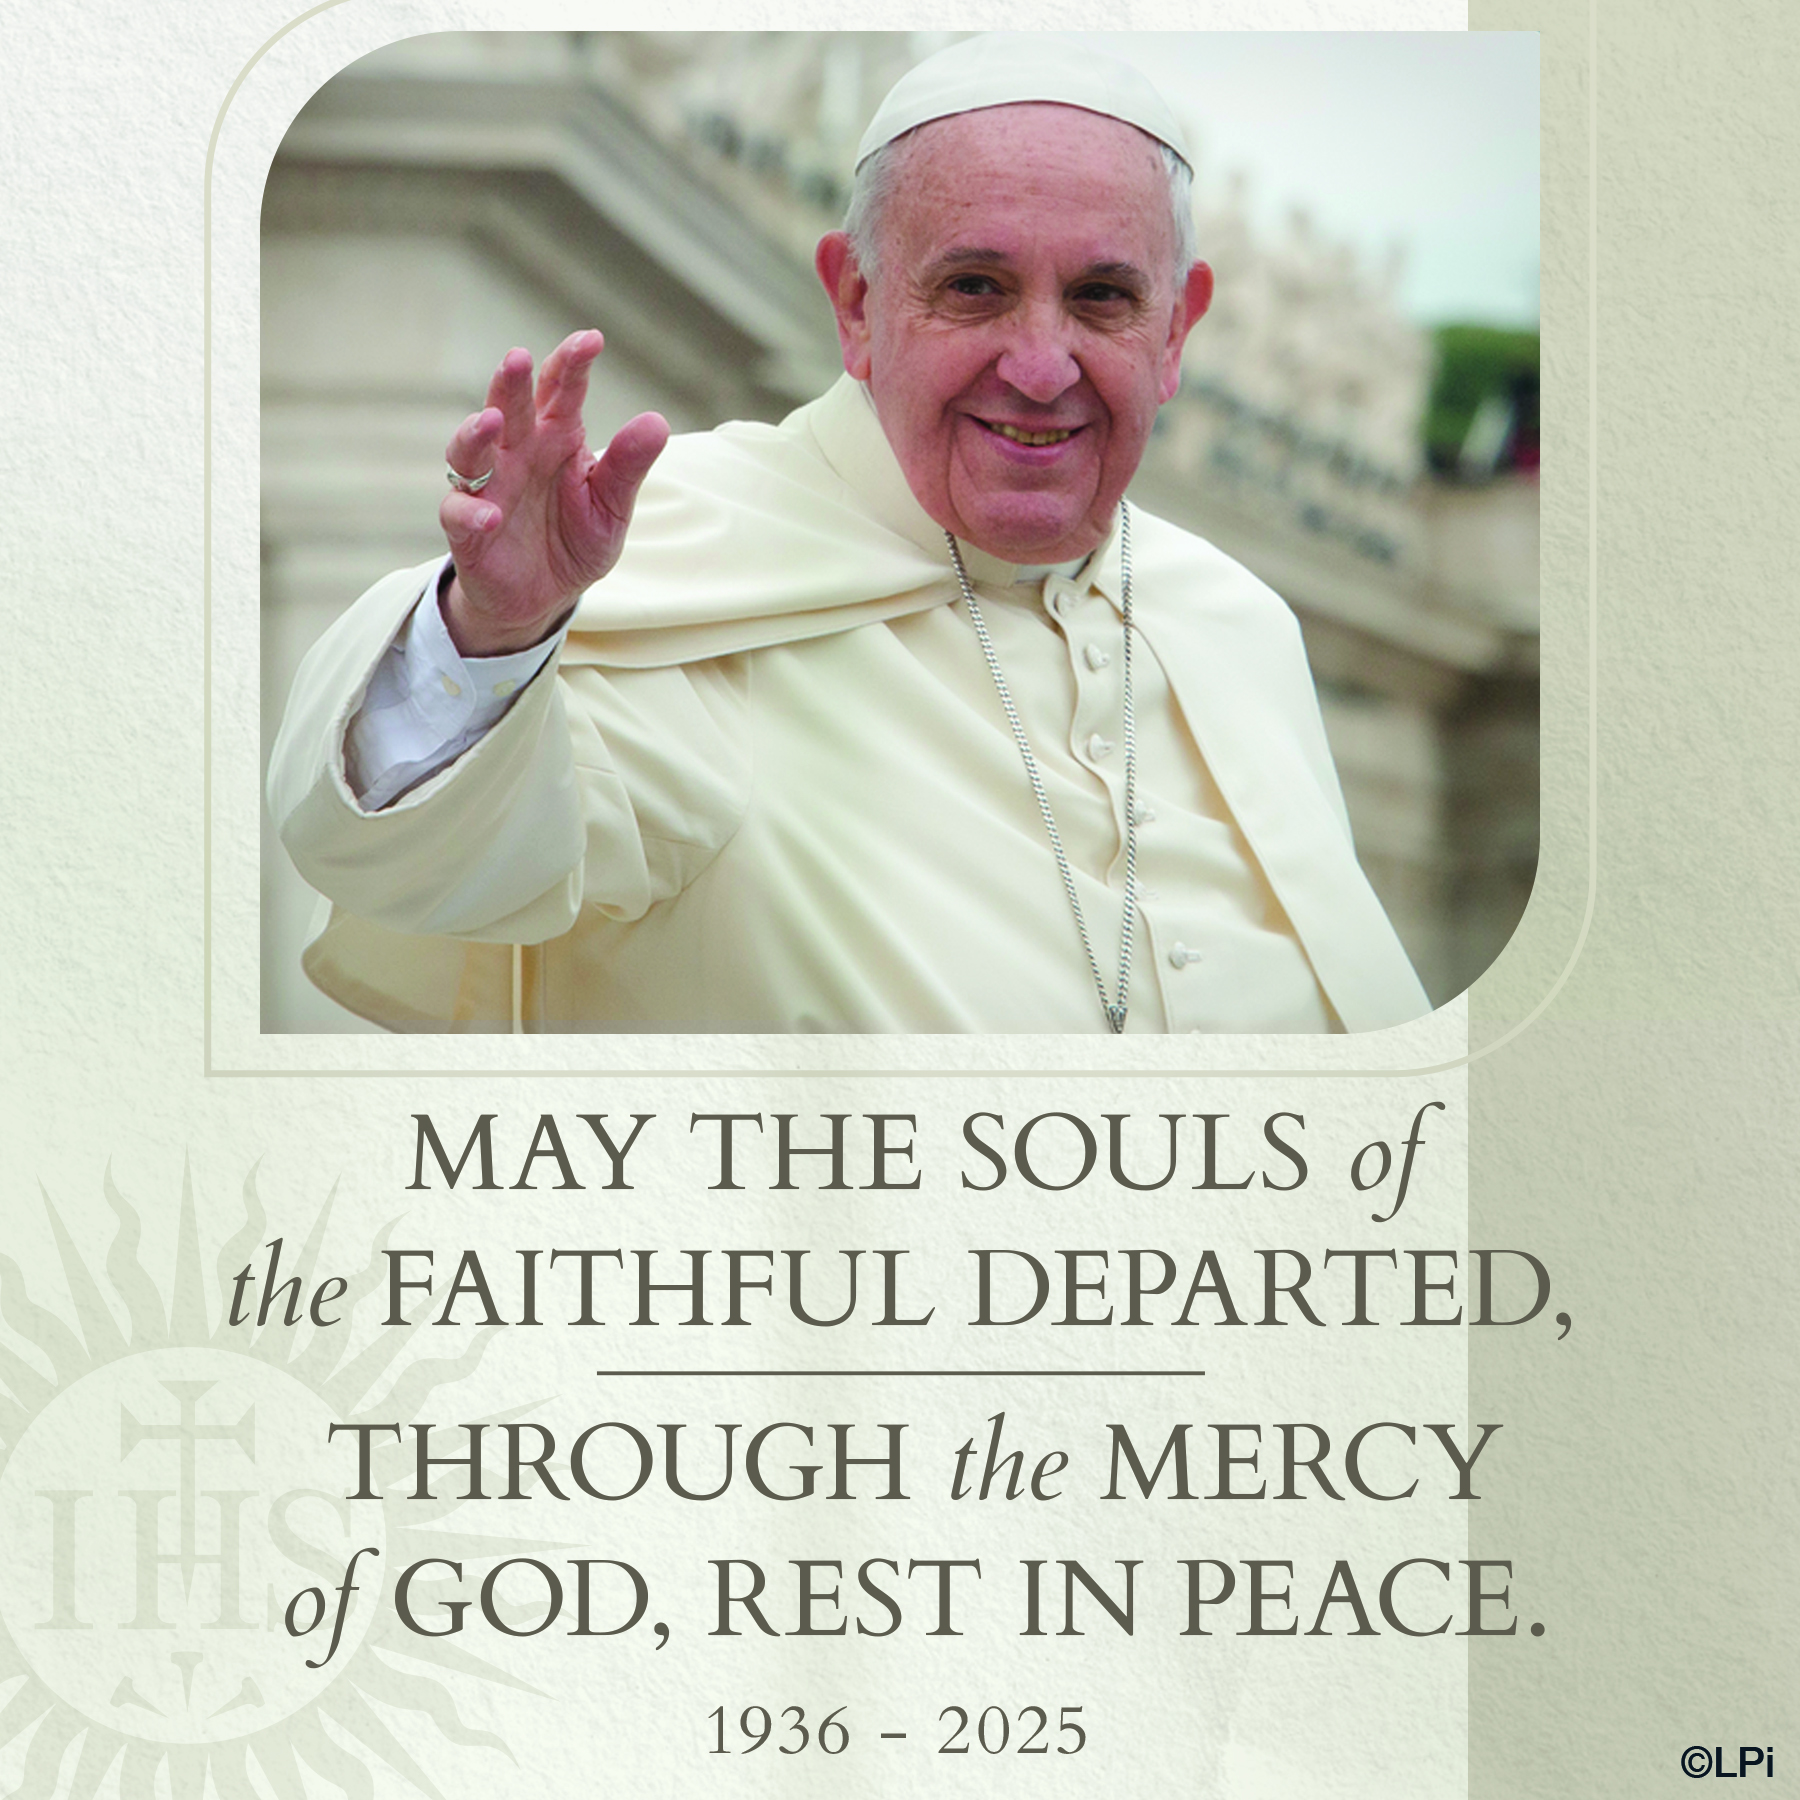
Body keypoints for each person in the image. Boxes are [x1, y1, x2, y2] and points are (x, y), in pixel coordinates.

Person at [268, 34, 1427, 1035]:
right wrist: (493, 634)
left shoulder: (1238, 625)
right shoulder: (677, 564)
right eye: (974, 287)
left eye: (1103, 298)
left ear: (1176, 332)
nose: (1040, 366)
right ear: (857, 304)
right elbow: (413, 861)